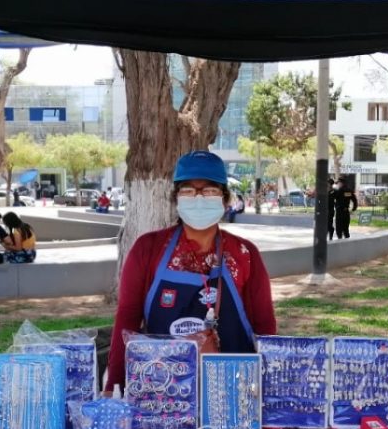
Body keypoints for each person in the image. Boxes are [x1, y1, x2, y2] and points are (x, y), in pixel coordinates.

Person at [105, 150, 277, 393]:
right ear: (176, 198)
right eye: (188, 191)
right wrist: (115, 384)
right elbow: (127, 319)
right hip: (162, 392)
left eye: (209, 191)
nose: (198, 198)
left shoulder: (244, 253)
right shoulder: (148, 248)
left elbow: (265, 327)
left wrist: (267, 386)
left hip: (234, 391)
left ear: (225, 199)